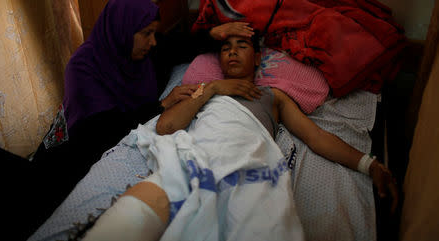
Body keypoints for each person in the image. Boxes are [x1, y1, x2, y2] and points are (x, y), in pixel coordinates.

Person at [0, 0, 256, 240]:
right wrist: (161, 104)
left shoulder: (145, 53)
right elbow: (100, 130)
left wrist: (216, 34)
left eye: (154, 33)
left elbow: (178, 46)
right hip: (69, 154)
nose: (153, 41)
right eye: (146, 34)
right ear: (123, 30)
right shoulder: (83, 68)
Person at [81, 34, 398, 240]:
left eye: (241, 46)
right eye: (225, 48)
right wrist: (213, 90)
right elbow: (165, 128)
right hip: (195, 156)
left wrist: (368, 164)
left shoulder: (274, 96)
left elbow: (316, 137)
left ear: (258, 58)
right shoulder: (203, 90)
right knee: (128, 218)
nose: (232, 53)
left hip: (247, 158)